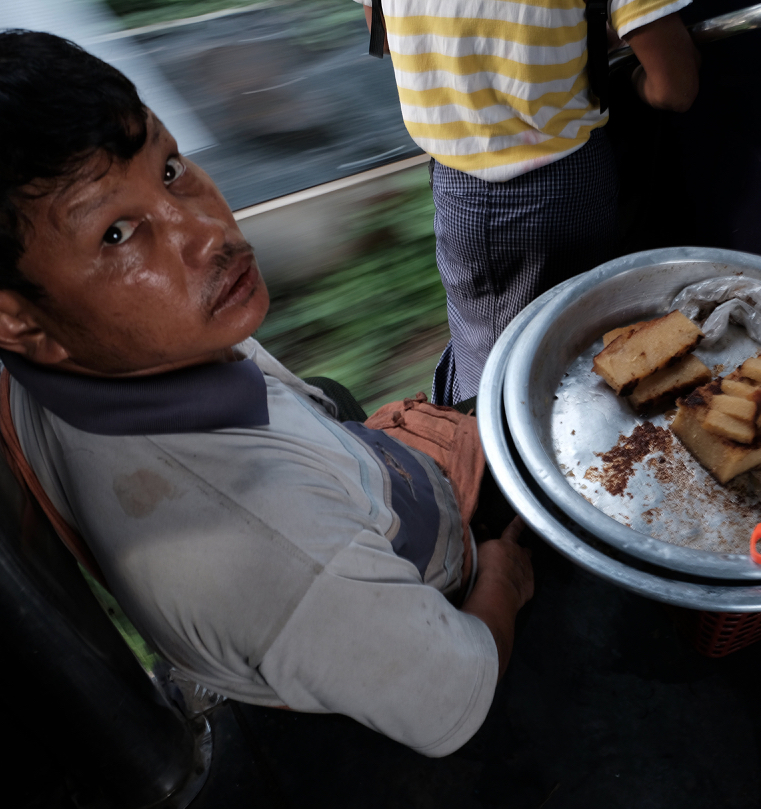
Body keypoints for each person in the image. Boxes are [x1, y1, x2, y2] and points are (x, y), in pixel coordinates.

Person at [0, 30, 533, 757]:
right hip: (440, 591)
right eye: (118, 234)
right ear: (17, 321)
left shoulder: (110, 349)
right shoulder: (266, 548)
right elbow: (454, 698)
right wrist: (501, 583)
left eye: (171, 168)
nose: (207, 230)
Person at [358, 0, 700, 404]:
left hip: (454, 187)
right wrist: (621, 75)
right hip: (564, 186)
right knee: (546, 363)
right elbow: (674, 88)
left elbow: (387, 36)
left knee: (496, 355)